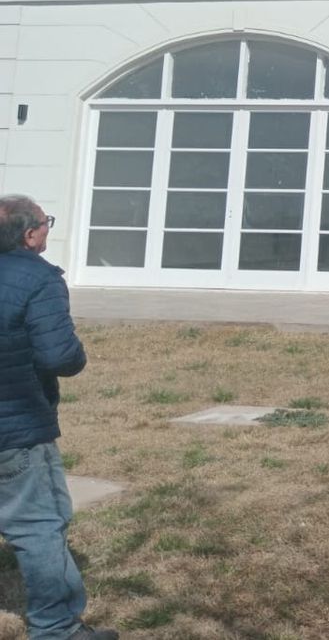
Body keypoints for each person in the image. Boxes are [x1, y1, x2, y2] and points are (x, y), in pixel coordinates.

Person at [0, 196, 118, 640]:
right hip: (16, 428)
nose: (49, 229)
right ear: (31, 235)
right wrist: (78, 354)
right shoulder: (38, 279)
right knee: (39, 526)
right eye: (47, 223)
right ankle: (56, 630)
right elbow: (59, 355)